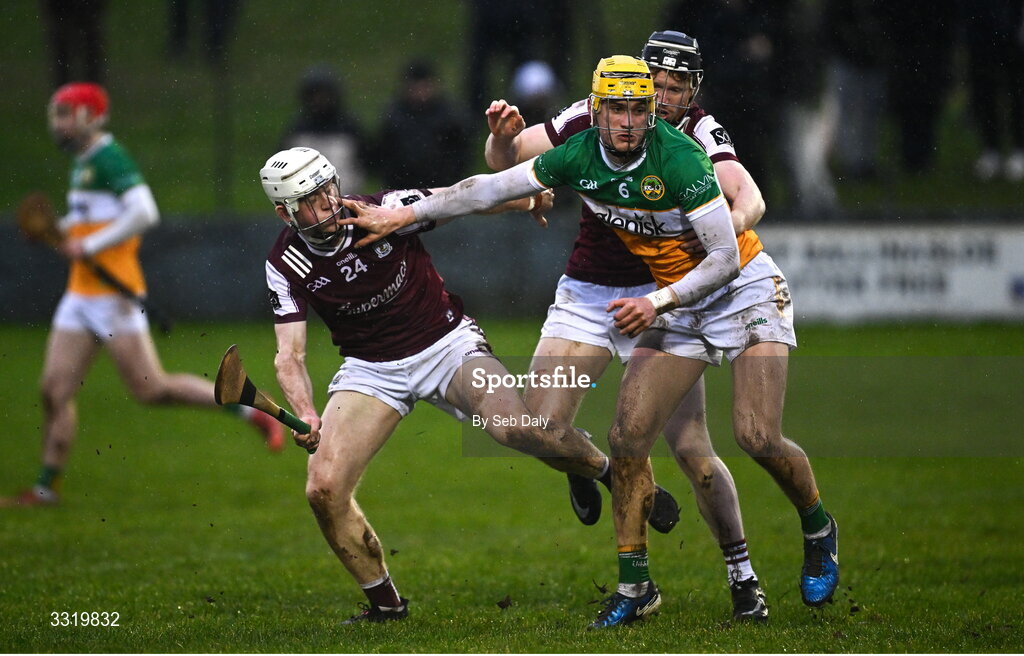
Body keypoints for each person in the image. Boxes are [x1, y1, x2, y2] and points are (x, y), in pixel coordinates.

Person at [339, 55, 840, 628]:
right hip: (645, 300)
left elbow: (727, 253)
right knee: (623, 435)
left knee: (754, 435)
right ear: (596, 109)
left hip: (733, 290)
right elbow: (484, 188)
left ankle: (813, 528)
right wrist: (399, 217)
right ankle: (635, 586)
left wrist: (661, 298)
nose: (630, 121)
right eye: (619, 108)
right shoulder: (576, 147)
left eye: (641, 108)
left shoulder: (683, 153)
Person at [258, 146, 677, 623]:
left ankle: (600, 472)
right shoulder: (285, 262)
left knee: (517, 428)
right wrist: (306, 411)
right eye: (311, 201)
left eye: (328, 189)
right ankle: (386, 607)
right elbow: (289, 355)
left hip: (446, 346)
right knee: (323, 488)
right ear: (285, 213)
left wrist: (525, 200)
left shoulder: (383, 209)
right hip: (370, 368)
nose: (328, 204)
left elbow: (458, 198)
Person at [483, 31, 769, 622]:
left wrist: (716, 235)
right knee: (535, 426)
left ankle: (743, 577)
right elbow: (510, 165)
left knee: (691, 448)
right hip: (591, 292)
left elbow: (749, 199)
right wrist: (501, 139)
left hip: (667, 299)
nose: (660, 100)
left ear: (693, 91)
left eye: (674, 89)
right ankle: (599, 471)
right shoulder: (600, 108)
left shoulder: (697, 133)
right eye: (653, 85)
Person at [0, 83, 283, 509]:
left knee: (152, 390)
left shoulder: (110, 159)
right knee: (53, 390)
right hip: (80, 295)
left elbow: (144, 212)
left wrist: (90, 247)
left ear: (92, 118)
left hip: (114, 297)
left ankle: (249, 410)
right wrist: (60, 235)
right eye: (55, 114)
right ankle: (45, 489)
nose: (56, 123)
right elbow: (93, 227)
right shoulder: (83, 163)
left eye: (65, 113)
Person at [373, 59, 471, 190]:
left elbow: (460, 152)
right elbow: (384, 152)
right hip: (402, 187)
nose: (421, 91)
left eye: (425, 86)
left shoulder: (449, 115)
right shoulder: (395, 116)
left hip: (442, 187)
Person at [281, 65, 369, 195]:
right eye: (315, 95)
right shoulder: (298, 129)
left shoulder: (349, 126)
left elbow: (366, 162)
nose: (320, 100)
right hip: (307, 199)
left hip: (345, 196)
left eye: (324, 95)